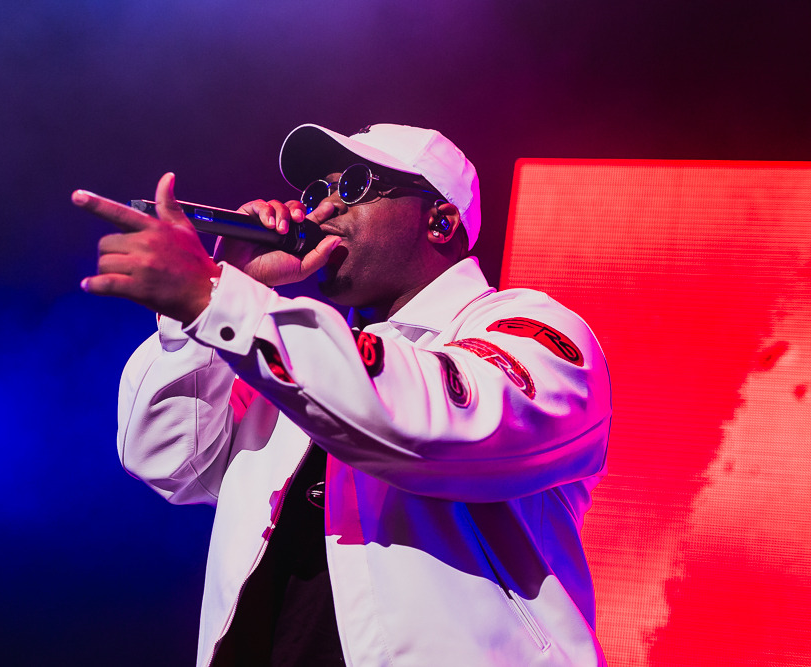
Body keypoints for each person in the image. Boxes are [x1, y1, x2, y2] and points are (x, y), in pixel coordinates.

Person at [73, 123, 611, 666]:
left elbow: (432, 422)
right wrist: (220, 296)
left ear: (441, 222)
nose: (320, 210)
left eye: (353, 186)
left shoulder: (527, 325)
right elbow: (168, 461)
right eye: (314, 194)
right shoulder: (286, 358)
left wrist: (222, 301)